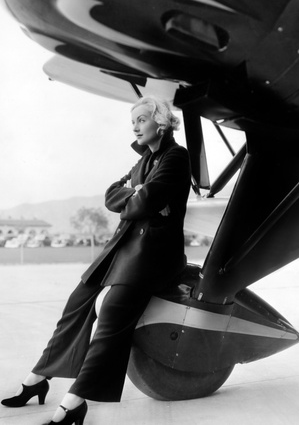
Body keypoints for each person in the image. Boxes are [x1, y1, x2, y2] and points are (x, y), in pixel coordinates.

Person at [1, 96, 191, 424]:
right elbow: (111, 195)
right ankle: (38, 379)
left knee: (112, 315)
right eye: (133, 120)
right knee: (77, 303)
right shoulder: (145, 158)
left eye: (142, 119)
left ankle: (75, 402)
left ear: (160, 122)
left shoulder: (177, 156)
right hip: (123, 247)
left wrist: (138, 194)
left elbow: (142, 202)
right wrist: (137, 192)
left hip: (154, 256)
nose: (134, 126)